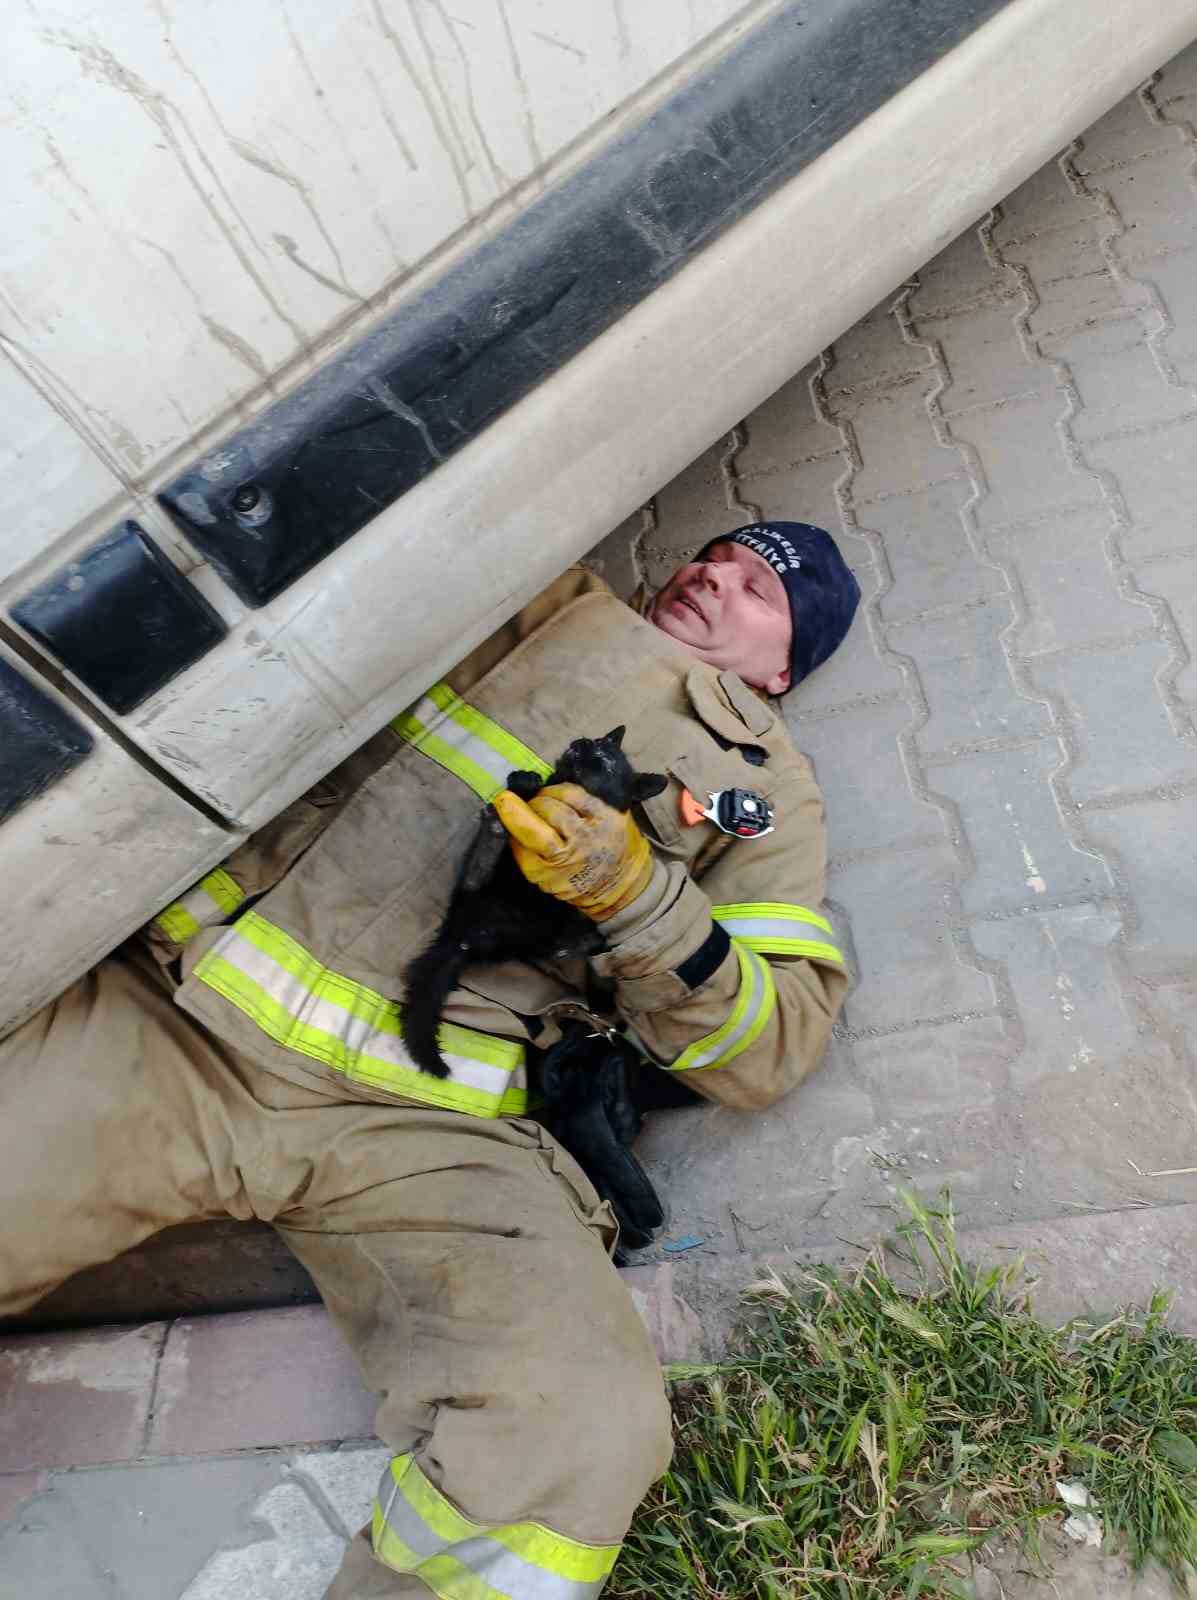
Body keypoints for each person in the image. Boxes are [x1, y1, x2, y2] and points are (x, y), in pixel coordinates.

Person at [0, 520, 860, 1598]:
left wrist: (636, 894)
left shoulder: (766, 788)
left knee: (581, 1434)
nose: (710, 579)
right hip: (184, 1020)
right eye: (712, 557)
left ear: (783, 666)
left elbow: (770, 1047)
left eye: (753, 589)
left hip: (429, 1127)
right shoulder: (533, 593)